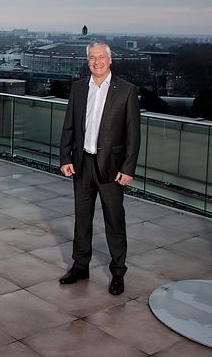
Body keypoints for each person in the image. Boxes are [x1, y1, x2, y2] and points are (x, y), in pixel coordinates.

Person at [59, 41, 140, 296]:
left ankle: (118, 273)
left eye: (101, 57)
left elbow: (133, 136)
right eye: (92, 57)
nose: (96, 62)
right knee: (82, 218)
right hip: (82, 163)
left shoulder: (126, 91)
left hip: (112, 168)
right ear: (88, 61)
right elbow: (69, 127)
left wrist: (127, 169)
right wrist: (65, 158)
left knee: (114, 221)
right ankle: (80, 265)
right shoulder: (79, 88)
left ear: (110, 60)